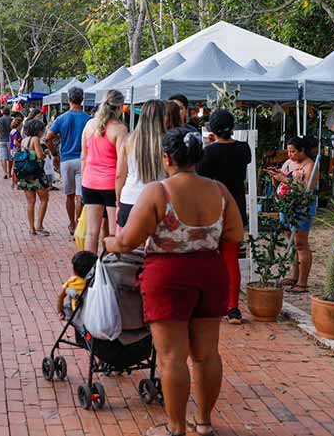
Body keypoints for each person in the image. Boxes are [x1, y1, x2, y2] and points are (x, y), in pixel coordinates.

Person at [105, 127, 244, 436]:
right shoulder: (219, 191)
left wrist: (107, 242)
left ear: (166, 157)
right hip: (210, 272)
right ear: (198, 156)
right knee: (207, 354)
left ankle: (176, 427)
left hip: (167, 277)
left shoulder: (158, 191)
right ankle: (204, 422)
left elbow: (128, 240)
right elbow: (235, 234)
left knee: (172, 357)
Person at [197, 110, 252, 324]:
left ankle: (209, 303)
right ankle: (233, 308)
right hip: (236, 208)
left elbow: (200, 173)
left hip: (213, 208)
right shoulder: (243, 149)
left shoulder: (209, 153)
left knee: (208, 258)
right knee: (231, 259)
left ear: (211, 129)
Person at [266, 136, 319, 294]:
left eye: (293, 151)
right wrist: (275, 177)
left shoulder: (310, 165)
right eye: (288, 151)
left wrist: (286, 180)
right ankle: (293, 276)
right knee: (291, 242)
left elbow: (306, 189)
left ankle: (303, 281)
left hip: (302, 207)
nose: (290, 154)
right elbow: (280, 182)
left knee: (301, 243)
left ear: (302, 150)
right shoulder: (288, 163)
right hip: (285, 206)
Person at [80, 90, 128, 251]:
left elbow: (83, 157)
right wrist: (120, 194)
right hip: (110, 185)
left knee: (91, 232)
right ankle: (110, 270)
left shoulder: (89, 125)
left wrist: (84, 181)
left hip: (89, 182)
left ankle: (89, 271)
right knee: (114, 233)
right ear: (120, 107)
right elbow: (122, 167)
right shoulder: (120, 129)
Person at [46, 87, 92, 235]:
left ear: (69, 100)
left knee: (69, 195)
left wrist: (54, 154)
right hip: (83, 160)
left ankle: (71, 223)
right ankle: (78, 223)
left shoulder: (61, 118)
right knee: (80, 195)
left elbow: (48, 137)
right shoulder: (89, 119)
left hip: (66, 160)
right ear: (82, 99)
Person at [116, 100, 167, 229]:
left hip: (130, 198)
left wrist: (118, 201)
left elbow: (119, 175)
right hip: (158, 201)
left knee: (128, 247)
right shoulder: (167, 142)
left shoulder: (128, 140)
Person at [17, 119, 51, 236]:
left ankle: (31, 228)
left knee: (30, 202)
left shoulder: (24, 140)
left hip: (25, 174)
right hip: (36, 173)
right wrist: (45, 153)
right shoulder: (35, 139)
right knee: (44, 199)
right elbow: (39, 156)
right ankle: (39, 225)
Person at [57, 250, 96, 321]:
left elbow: (60, 297)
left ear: (75, 271)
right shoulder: (97, 281)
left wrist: (60, 312)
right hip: (93, 313)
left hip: (78, 315)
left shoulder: (72, 281)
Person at [0, 107, 14, 179]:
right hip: (10, 140)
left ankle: (5, 172)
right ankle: (9, 173)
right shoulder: (12, 119)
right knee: (10, 157)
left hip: (2, 139)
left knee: (3, 157)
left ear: (2, 112)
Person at [8, 115, 24, 189]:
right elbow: (15, 142)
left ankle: (14, 183)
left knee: (15, 167)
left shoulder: (12, 131)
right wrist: (23, 146)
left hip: (12, 150)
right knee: (17, 167)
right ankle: (16, 183)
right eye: (21, 124)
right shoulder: (16, 132)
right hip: (16, 151)